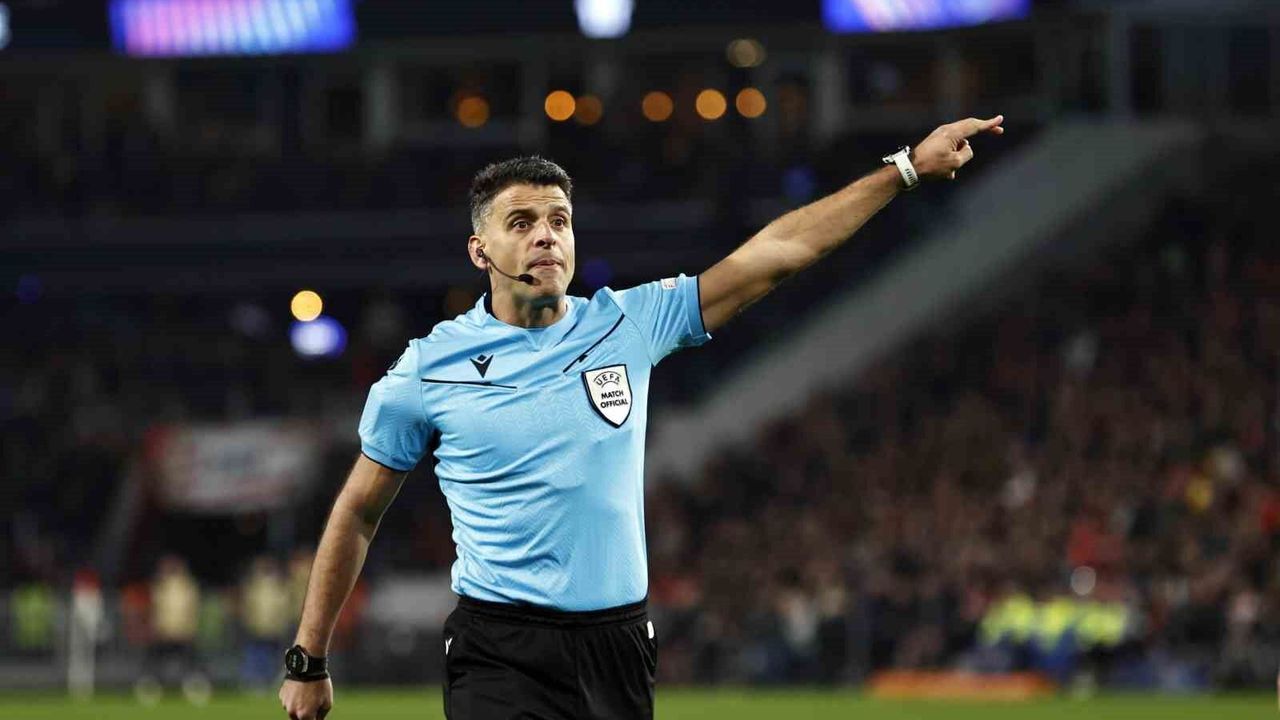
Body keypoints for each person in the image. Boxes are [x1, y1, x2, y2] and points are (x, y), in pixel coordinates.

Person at [279, 115, 1005, 720]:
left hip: (618, 646)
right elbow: (358, 511)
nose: (545, 236)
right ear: (480, 250)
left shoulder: (628, 321)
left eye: (559, 221)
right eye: (521, 222)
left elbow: (778, 254)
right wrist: (310, 658)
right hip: (500, 649)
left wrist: (905, 168)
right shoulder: (427, 369)